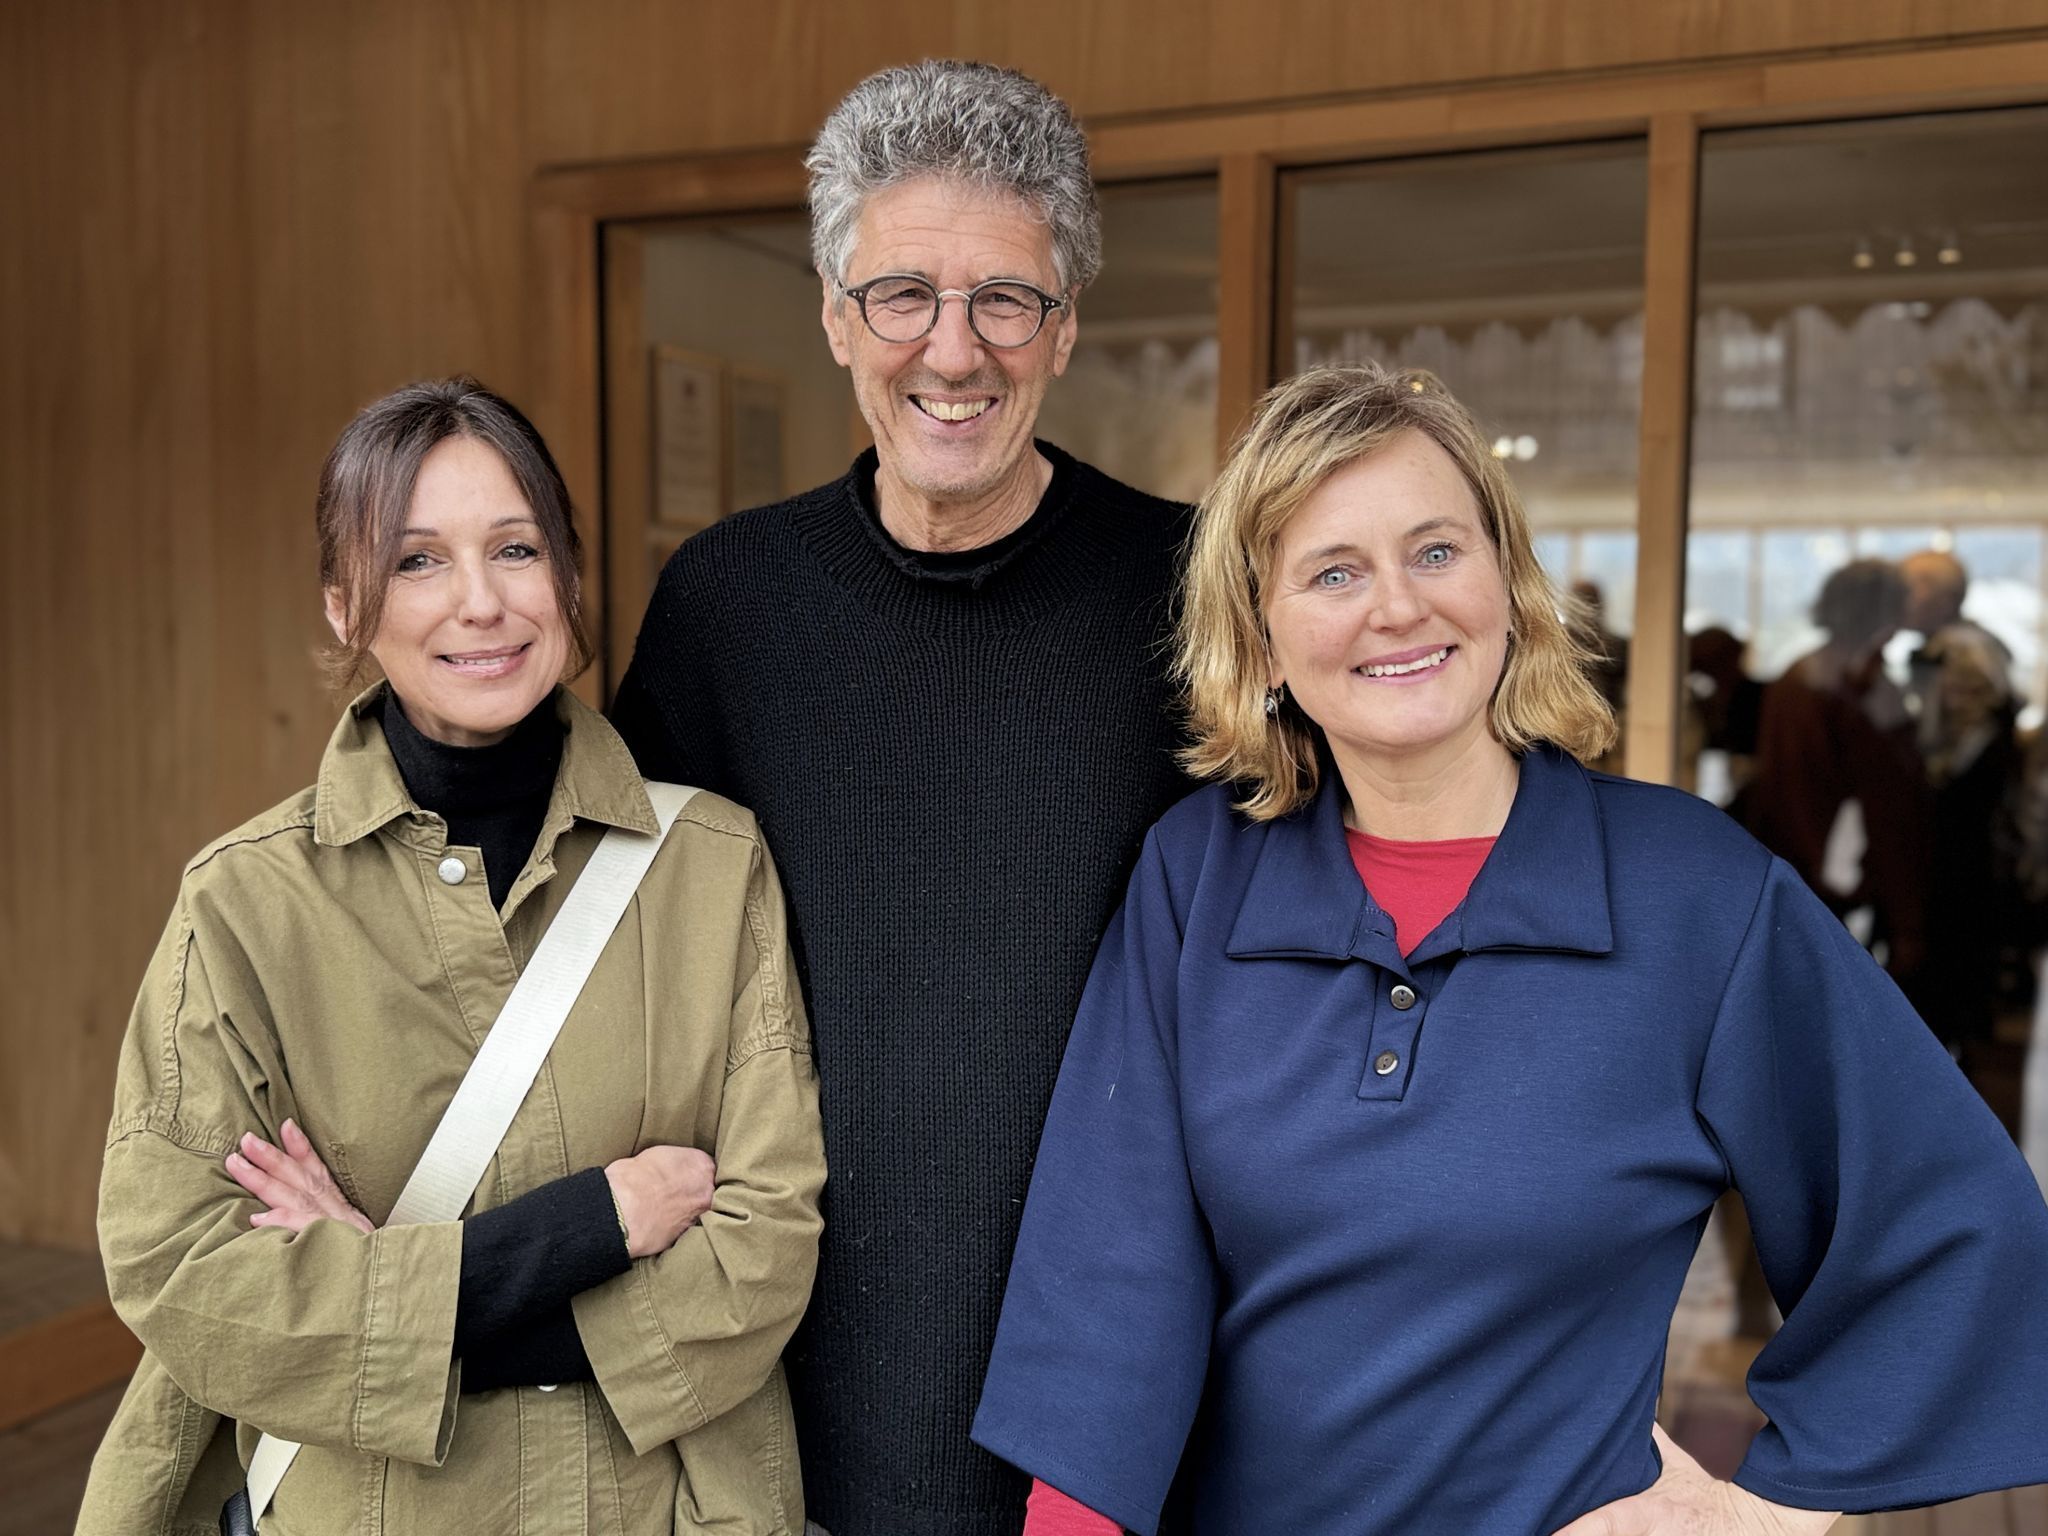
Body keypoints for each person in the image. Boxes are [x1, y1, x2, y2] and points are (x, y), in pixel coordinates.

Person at [970, 364, 2048, 1536]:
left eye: (1435, 552)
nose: (1395, 606)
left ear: (1505, 587)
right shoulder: (1197, 877)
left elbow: (1948, 1223)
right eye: (1332, 572)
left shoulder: (1693, 893)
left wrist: (1769, 1515)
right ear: (1261, 641)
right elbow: (1113, 1267)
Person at [76, 379, 825, 1534]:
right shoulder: (244, 906)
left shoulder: (711, 867)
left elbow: (766, 1241)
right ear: (344, 606)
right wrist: (584, 1228)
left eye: (515, 549)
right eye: (417, 560)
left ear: (569, 578)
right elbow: (184, 1274)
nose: (480, 602)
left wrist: (385, 1285)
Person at [609, 60, 1193, 1536]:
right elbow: (603, 950)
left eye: (1008, 298)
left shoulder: (1191, 596)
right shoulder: (727, 606)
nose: (956, 348)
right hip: (788, 1353)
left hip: (1113, 1358)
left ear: (1062, 331)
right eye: (902, 295)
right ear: (832, 315)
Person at [1744, 558, 1931, 985]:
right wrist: (1907, 922)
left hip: (1802, 876)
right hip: (1842, 885)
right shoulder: (1852, 687)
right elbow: (1886, 807)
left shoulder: (1801, 674)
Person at [1897, 547, 2019, 1053]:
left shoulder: (1957, 649)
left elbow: (1972, 742)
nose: (1901, 599)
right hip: (1965, 820)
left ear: (1944, 596)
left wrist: (1926, 788)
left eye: (1912, 588)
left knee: (1950, 936)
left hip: (1958, 824)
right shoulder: (1969, 644)